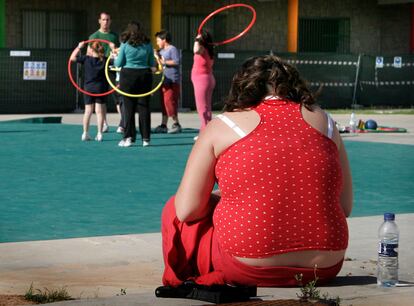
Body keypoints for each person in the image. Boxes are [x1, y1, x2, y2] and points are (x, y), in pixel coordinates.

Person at [161, 55, 353, 288]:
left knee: (173, 208)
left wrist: (223, 197)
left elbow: (187, 210)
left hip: (248, 266)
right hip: (324, 267)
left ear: (242, 87)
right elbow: (344, 206)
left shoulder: (223, 125)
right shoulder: (326, 122)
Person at [114, 21, 156, 147]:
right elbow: (151, 63)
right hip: (144, 76)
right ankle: (146, 139)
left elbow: (118, 63)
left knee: (128, 108)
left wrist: (115, 57)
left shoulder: (125, 44)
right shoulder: (148, 44)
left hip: (128, 77)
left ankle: (128, 138)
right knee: (144, 107)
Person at [70, 41, 114, 141]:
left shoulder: (86, 59)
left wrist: (78, 47)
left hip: (88, 88)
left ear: (91, 49)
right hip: (100, 88)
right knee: (99, 111)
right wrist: (113, 49)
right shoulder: (105, 60)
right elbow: (117, 61)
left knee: (88, 111)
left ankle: (85, 133)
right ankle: (99, 134)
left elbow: (72, 58)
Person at [89, 12, 121, 133]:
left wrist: (114, 50)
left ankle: (123, 123)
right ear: (99, 21)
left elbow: (118, 52)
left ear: (110, 21)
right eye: (103, 20)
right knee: (101, 97)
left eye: (107, 20)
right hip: (99, 69)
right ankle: (104, 123)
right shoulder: (94, 36)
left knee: (118, 95)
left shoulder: (114, 36)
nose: (105, 22)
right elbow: (89, 53)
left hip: (112, 67)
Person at [154, 30, 182, 134]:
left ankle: (176, 124)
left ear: (164, 40)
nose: (157, 43)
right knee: (163, 103)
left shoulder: (172, 49)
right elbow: (158, 65)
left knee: (169, 102)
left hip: (172, 81)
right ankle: (163, 125)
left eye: (158, 40)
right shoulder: (160, 52)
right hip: (163, 81)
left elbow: (176, 61)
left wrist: (163, 61)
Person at [191, 30, 215, 139]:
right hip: (208, 79)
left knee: (202, 108)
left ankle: (205, 133)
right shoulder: (209, 50)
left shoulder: (201, 49)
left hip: (202, 81)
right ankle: (206, 130)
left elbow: (195, 49)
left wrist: (196, 39)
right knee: (207, 107)